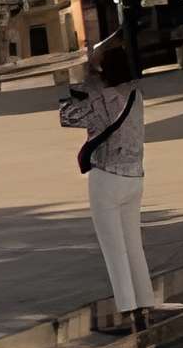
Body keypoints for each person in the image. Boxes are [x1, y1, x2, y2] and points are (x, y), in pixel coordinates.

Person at [58, 39, 156, 331]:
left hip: (107, 177)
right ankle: (144, 307)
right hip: (134, 176)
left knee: (114, 249)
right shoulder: (136, 94)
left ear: (103, 71)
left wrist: (86, 80)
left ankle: (127, 312)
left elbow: (67, 115)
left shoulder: (101, 98)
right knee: (133, 245)